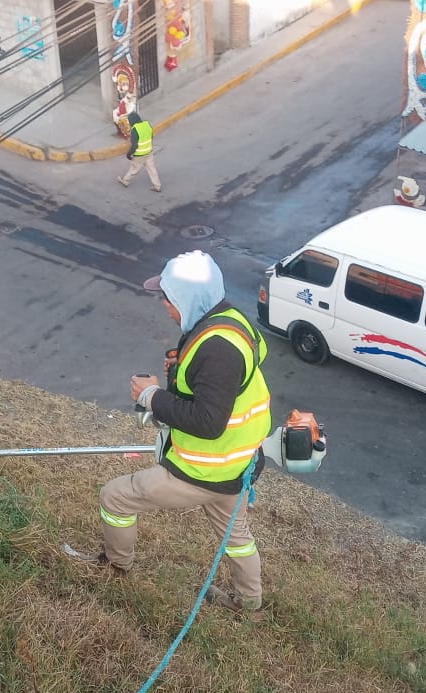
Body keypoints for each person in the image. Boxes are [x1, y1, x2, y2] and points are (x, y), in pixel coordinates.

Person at [74, 251, 272, 614]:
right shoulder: (228, 320)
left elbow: (207, 421)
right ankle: (250, 603)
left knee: (115, 498)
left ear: (187, 299)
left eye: (168, 297)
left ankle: (115, 568)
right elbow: (223, 388)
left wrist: (152, 397)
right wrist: (183, 369)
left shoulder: (217, 350)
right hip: (239, 463)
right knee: (236, 538)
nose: (164, 305)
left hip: (204, 470)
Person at [117, 111, 161, 193]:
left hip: (140, 154)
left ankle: (125, 181)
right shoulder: (147, 124)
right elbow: (151, 137)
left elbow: (134, 146)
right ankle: (157, 185)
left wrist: (129, 154)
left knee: (134, 169)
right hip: (149, 151)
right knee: (152, 169)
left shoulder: (135, 130)